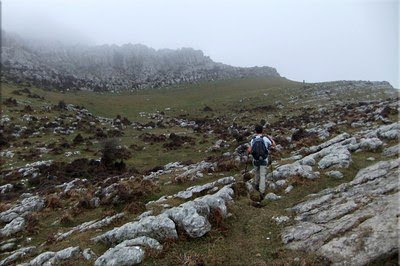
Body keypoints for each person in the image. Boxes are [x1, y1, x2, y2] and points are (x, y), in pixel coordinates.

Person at [247, 124, 276, 197]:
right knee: (262, 175)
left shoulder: (253, 139)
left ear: (255, 131)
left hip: (255, 159)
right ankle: (262, 192)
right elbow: (273, 145)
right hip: (264, 159)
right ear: (262, 130)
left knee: (256, 172)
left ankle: (256, 185)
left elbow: (250, 150)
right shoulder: (265, 138)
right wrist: (271, 139)